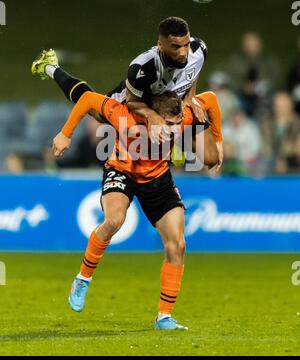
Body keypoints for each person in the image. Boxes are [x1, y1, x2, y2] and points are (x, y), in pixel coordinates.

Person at [50, 88, 222, 331]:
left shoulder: (184, 115)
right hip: (122, 170)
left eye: (177, 124)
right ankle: (83, 278)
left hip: (158, 177)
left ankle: (164, 317)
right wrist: (65, 133)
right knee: (113, 221)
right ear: (153, 117)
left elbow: (212, 99)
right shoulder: (124, 115)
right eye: (169, 125)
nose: (174, 130)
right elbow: (88, 98)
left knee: (178, 244)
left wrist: (219, 139)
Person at [32, 16, 210, 144]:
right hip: (136, 98)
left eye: (186, 45)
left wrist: (190, 97)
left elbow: (193, 69)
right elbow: (133, 102)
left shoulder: (198, 50)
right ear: (160, 45)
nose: (183, 52)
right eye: (176, 47)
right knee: (96, 111)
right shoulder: (142, 69)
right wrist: (151, 115)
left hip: (165, 102)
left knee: (200, 136)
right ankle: (49, 66)